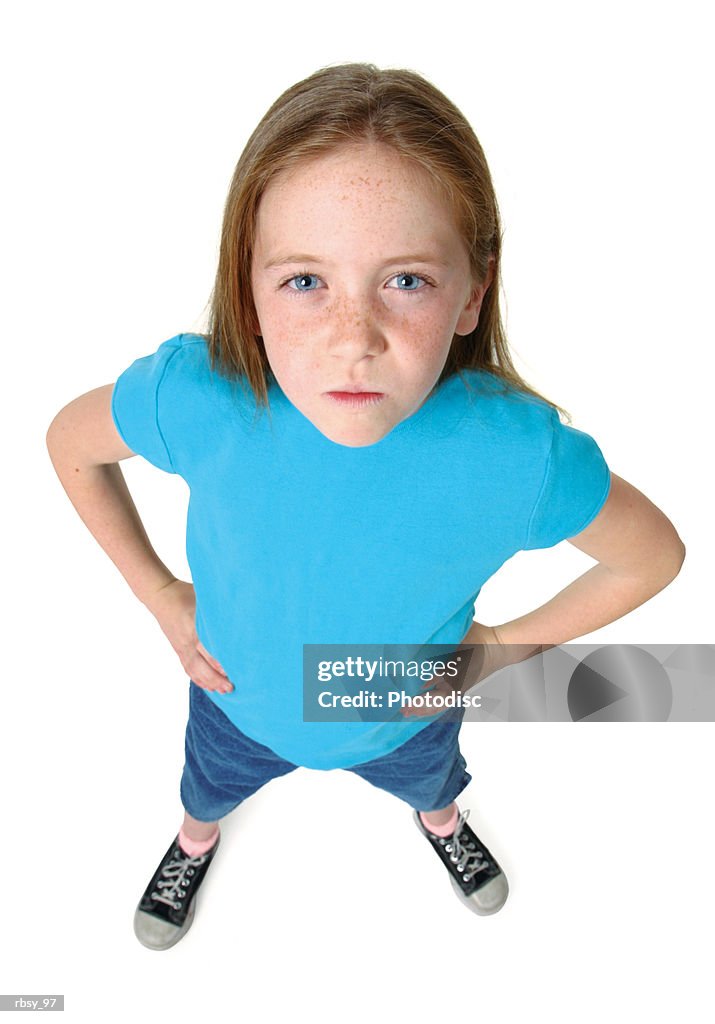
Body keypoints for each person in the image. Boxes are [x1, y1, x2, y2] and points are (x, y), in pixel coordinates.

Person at [46, 62, 686, 951]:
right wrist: (158, 595)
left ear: (472, 292)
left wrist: (497, 651)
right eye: (305, 280)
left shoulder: (517, 456)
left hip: (406, 714)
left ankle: (440, 823)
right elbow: (70, 446)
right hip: (236, 702)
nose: (354, 340)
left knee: (434, 784)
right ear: (248, 287)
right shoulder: (198, 397)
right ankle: (195, 841)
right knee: (204, 793)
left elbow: (650, 556)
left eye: (407, 281)